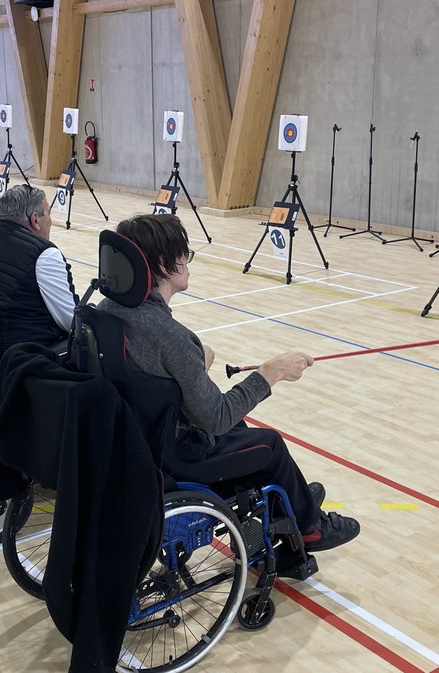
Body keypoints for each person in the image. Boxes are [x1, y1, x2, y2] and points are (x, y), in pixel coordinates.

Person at [99, 214, 361, 552]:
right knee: (269, 444)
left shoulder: (106, 310)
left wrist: (196, 366)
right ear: (165, 265)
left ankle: (292, 501)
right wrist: (270, 373)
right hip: (175, 455)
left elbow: (152, 376)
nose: (188, 264)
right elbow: (215, 417)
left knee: (240, 426)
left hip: (138, 439)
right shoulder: (171, 337)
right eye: (185, 255)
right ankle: (311, 528)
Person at [0, 184, 77, 371]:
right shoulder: (44, 254)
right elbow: (72, 322)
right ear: (35, 219)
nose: (51, 221)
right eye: (49, 214)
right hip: (20, 362)